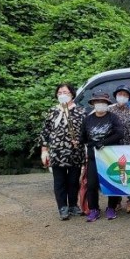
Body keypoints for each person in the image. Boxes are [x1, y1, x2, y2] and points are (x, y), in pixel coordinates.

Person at [39, 83, 87, 220]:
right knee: (59, 181)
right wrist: (44, 150)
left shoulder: (81, 111)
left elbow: (85, 132)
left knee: (73, 180)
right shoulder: (52, 111)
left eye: (65, 92)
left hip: (75, 152)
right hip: (57, 152)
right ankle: (62, 207)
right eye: (59, 93)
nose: (62, 95)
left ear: (72, 94)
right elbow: (45, 132)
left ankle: (72, 205)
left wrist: (80, 141)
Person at [81, 91, 123, 222]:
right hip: (94, 156)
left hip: (110, 155)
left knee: (112, 182)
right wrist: (83, 141)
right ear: (93, 104)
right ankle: (94, 209)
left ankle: (111, 207)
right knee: (92, 184)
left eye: (103, 102)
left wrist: (103, 142)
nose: (100, 104)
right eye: (97, 102)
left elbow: (120, 133)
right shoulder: (88, 119)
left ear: (107, 104)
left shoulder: (113, 117)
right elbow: (83, 137)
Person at [109, 85, 130, 214]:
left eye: (125, 95)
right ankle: (115, 201)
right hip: (114, 147)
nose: (122, 96)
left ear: (129, 98)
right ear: (116, 95)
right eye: (120, 94)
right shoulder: (110, 111)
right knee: (116, 174)